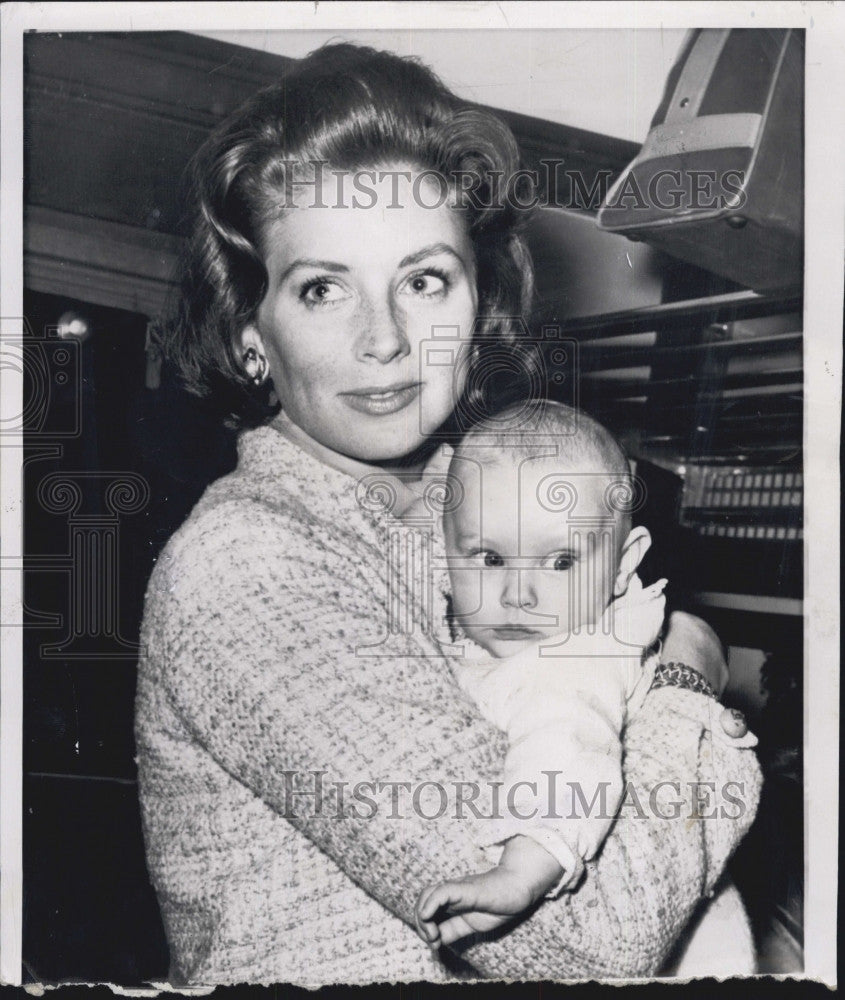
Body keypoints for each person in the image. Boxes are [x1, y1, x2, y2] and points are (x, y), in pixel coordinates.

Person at [134, 42, 762, 987]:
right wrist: (685, 676)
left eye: (423, 279)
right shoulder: (245, 565)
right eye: (321, 288)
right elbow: (582, 935)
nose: (384, 340)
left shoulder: (472, 497)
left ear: (477, 305)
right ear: (249, 334)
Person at [412, 401, 756, 977]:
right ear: (444, 553)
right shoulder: (526, 634)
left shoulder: (571, 662)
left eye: (561, 561)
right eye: (490, 556)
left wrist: (520, 872)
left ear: (624, 566)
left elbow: (568, 751)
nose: (519, 592)